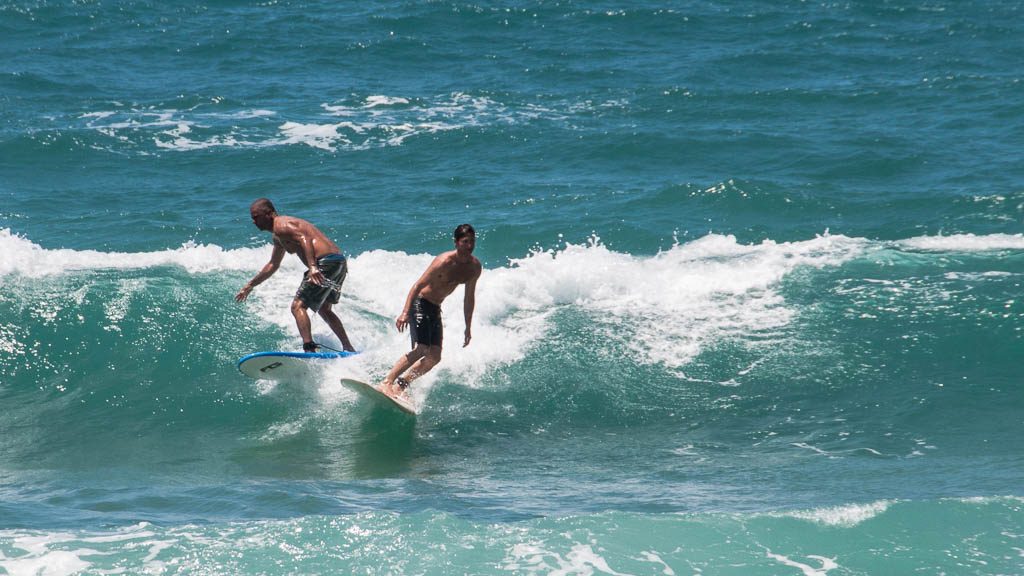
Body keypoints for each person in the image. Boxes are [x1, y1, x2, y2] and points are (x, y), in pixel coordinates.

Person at [235, 198, 356, 352]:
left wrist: (313, 267)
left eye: (256, 216)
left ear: (269, 214)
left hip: (323, 263)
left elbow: (304, 238)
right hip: (337, 262)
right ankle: (348, 347)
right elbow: (273, 264)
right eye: (252, 218)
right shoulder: (278, 236)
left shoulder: (281, 225)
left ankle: (309, 348)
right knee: (325, 309)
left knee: (297, 306)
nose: (253, 221)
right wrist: (250, 285)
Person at [379, 224, 481, 398]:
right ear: (456, 243)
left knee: (434, 357)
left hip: (435, 308)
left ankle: (401, 386)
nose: (469, 246)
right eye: (465, 241)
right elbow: (418, 285)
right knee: (421, 348)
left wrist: (468, 327)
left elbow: (469, 299)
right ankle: (386, 382)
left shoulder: (474, 267)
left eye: (472, 241)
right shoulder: (443, 262)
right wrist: (405, 312)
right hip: (420, 303)